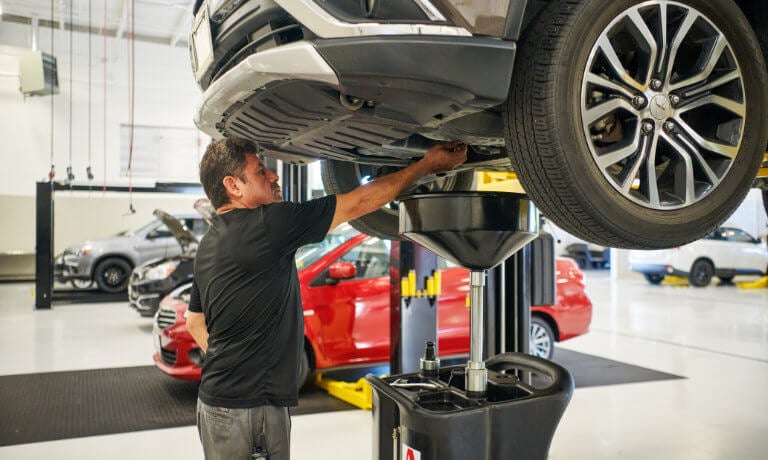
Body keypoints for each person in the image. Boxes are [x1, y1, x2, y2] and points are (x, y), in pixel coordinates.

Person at [186, 138, 467, 460]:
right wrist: (425, 166)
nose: (274, 177)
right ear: (233, 185)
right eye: (261, 172)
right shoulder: (267, 224)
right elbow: (357, 203)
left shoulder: (209, 243)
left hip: (216, 402)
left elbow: (194, 321)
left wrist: (235, 366)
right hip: (251, 407)